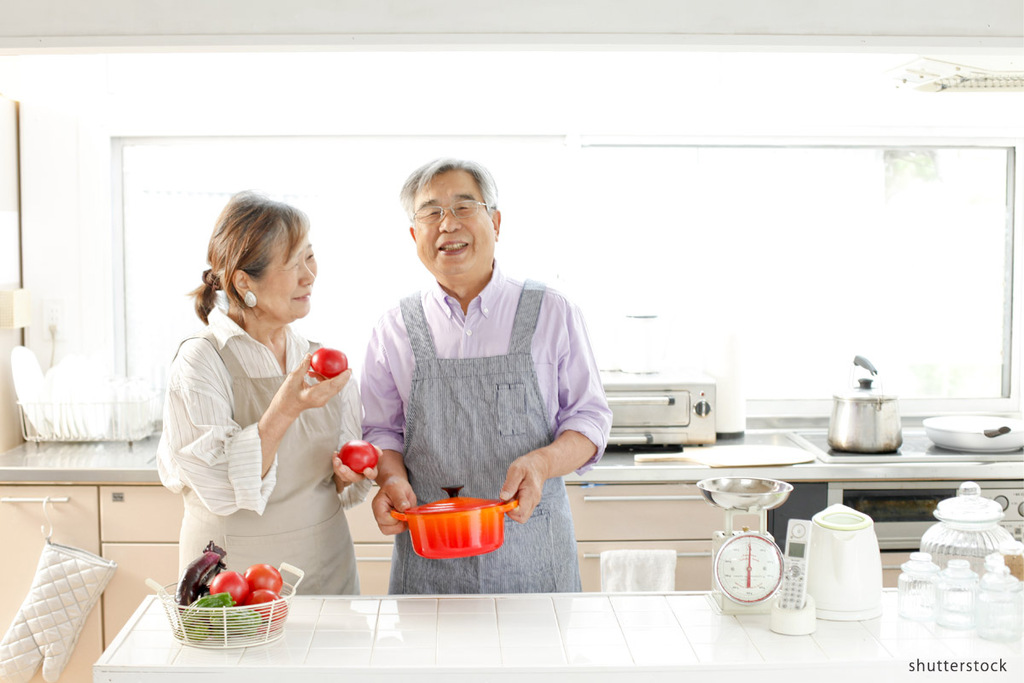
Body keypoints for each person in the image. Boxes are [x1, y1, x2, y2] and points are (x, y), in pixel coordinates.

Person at [361, 158, 612, 594]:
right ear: (413, 235)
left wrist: (541, 462)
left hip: (534, 557)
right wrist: (392, 479)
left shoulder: (552, 312)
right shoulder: (393, 329)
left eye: (463, 207)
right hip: (430, 563)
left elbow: (589, 421)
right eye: (431, 213)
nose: (447, 225)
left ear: (495, 222)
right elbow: (381, 431)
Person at [157, 191, 377, 595]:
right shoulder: (202, 361)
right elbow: (221, 485)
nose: (309, 275)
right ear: (244, 281)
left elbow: (342, 482)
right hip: (234, 583)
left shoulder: (318, 358)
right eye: (294, 263)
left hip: (326, 570)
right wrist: (284, 409)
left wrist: (347, 476)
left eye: (310, 257)